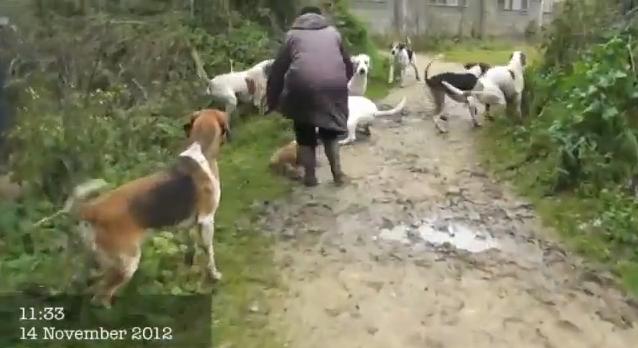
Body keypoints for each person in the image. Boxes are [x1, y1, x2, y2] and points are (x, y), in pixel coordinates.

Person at [266, 5, 353, 187]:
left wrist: (272, 100)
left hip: (302, 87)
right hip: (333, 85)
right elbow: (348, 64)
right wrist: (340, 84)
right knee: (330, 133)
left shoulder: (292, 36)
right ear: (321, 17)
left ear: (300, 18)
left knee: (304, 133)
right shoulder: (334, 33)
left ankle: (310, 177)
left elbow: (277, 71)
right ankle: (338, 175)